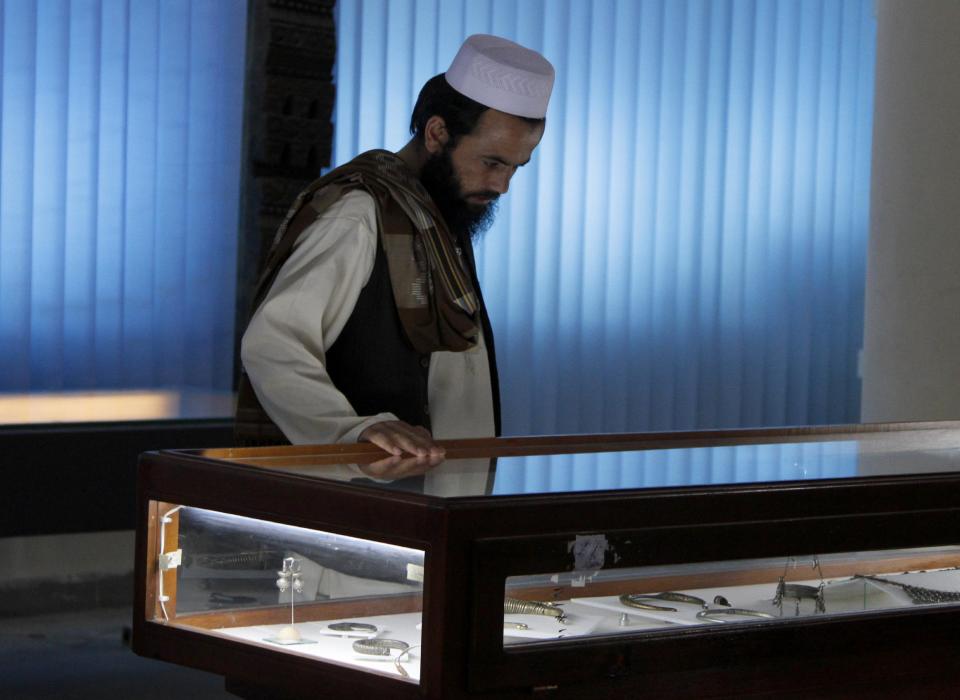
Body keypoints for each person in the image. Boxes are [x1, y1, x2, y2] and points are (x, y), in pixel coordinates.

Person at [236, 34, 555, 467]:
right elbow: (272, 343)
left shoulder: (437, 212)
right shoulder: (359, 215)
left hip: (435, 500)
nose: (501, 186)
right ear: (438, 133)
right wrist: (353, 430)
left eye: (515, 168)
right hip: (369, 504)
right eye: (492, 162)